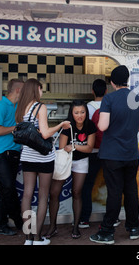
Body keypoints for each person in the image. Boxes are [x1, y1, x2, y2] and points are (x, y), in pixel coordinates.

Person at [90, 65, 139, 245]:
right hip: (131, 154)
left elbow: (103, 126)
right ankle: (134, 228)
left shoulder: (109, 99)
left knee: (114, 193)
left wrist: (103, 122)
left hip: (112, 154)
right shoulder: (137, 98)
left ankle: (107, 232)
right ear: (127, 80)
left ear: (112, 82)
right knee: (131, 191)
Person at [15, 78, 71, 245]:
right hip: (43, 157)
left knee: (27, 194)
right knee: (43, 196)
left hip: (27, 156)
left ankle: (28, 237)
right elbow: (45, 134)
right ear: (36, 89)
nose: (41, 92)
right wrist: (61, 124)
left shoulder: (20, 109)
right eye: (41, 89)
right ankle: (38, 238)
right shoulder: (41, 107)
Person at [45, 100, 96, 239]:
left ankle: (75, 227)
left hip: (81, 161)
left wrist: (74, 146)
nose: (80, 115)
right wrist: (73, 148)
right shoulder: (67, 125)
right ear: (71, 113)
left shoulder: (90, 125)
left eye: (82, 112)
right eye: (76, 112)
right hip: (65, 160)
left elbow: (89, 148)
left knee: (77, 192)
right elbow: (62, 148)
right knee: (54, 192)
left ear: (86, 112)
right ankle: (52, 226)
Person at [0, 79, 24, 236]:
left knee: (6, 189)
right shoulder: (0, 107)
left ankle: (1, 224)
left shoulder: (17, 107)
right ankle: (17, 220)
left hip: (13, 153)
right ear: (17, 90)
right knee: (8, 187)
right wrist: (15, 128)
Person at [80, 78, 107, 228]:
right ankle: (113, 218)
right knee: (111, 184)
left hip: (91, 152)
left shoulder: (88, 108)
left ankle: (84, 218)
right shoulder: (110, 105)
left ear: (92, 91)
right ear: (106, 91)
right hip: (108, 152)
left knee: (87, 185)